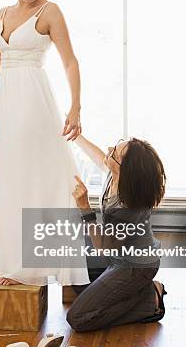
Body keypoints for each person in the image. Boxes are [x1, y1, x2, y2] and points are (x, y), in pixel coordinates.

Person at [0, 0, 90, 287]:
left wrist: (75, 106)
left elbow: (70, 61)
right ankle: (10, 260)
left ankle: (29, 268)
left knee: (34, 177)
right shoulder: (1, 14)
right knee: (11, 177)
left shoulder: (50, 12)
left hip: (33, 98)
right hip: (6, 101)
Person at [66, 135, 167, 331]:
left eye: (115, 152)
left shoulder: (128, 206)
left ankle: (149, 299)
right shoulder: (117, 175)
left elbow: (103, 247)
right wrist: (76, 136)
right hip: (117, 255)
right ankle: (137, 290)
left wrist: (85, 208)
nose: (109, 149)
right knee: (76, 277)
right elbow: (98, 156)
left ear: (125, 168)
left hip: (135, 266)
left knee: (78, 318)